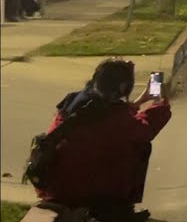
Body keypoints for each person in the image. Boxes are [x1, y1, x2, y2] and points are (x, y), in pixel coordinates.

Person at [34, 58, 171, 222]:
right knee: (139, 147)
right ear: (122, 87)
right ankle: (121, 206)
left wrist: (140, 101)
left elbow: (107, 120)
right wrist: (161, 100)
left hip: (56, 189)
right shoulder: (117, 119)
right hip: (92, 193)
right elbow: (146, 127)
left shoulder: (73, 105)